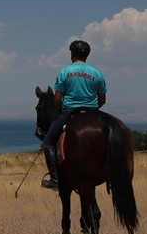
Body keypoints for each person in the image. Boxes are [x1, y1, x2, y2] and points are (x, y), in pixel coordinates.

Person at [42, 39, 107, 190]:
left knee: (48, 142)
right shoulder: (97, 73)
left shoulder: (64, 72)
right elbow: (102, 100)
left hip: (70, 112)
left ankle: (55, 179)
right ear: (87, 55)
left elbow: (57, 100)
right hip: (93, 112)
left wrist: (61, 109)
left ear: (72, 54)